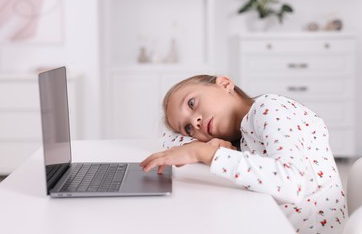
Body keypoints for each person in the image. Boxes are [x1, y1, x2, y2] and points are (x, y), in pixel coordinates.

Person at [140, 74, 347, 233]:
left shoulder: (270, 108)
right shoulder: (242, 135)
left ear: (224, 83)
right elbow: (168, 139)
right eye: (187, 128)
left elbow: (292, 184)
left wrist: (204, 153)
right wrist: (203, 145)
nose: (195, 123)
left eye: (192, 103)